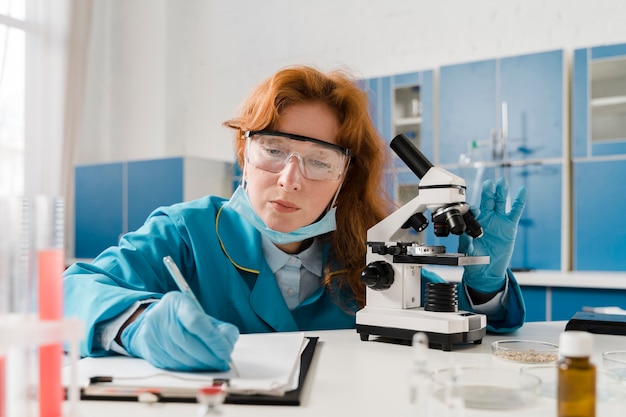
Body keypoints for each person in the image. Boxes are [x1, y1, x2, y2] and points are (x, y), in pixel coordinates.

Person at [63, 65, 528, 372]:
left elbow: (468, 328)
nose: (289, 179)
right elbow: (69, 292)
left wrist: (486, 287)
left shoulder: (375, 248)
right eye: (274, 150)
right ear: (244, 151)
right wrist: (136, 324)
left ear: (346, 177)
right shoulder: (186, 232)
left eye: (319, 161)